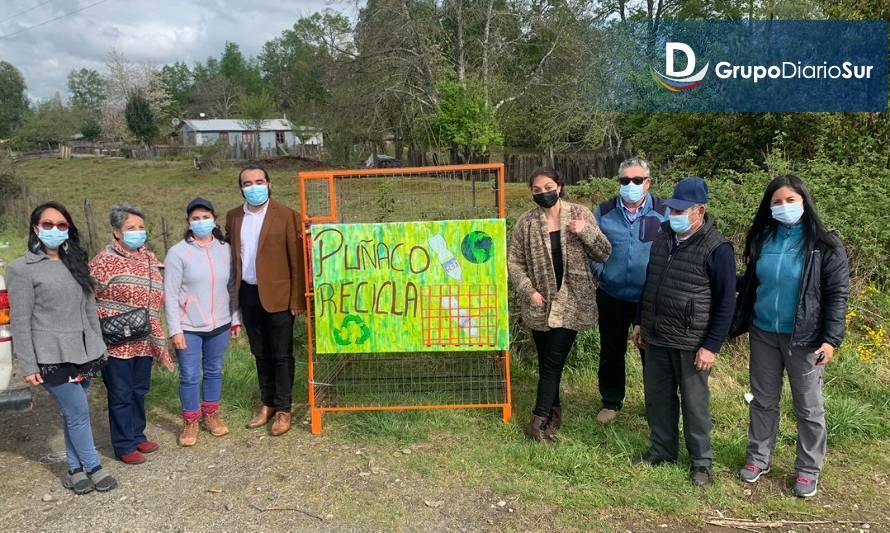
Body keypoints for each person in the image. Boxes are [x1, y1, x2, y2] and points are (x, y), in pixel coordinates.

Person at [731, 175, 848, 498]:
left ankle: (808, 469)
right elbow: (752, 284)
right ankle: (758, 458)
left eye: (790, 201)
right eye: (777, 202)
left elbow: (837, 294)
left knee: (808, 407)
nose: (784, 207)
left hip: (805, 337)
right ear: (768, 207)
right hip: (764, 332)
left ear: (804, 202)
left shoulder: (824, 244)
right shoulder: (762, 239)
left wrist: (831, 339)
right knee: (763, 400)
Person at [6, 202, 117, 494]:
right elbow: (20, 320)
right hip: (51, 355)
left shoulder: (76, 262)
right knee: (79, 411)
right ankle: (93, 466)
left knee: (73, 413)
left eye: (61, 225)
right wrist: (28, 366)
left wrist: (99, 346)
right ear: (35, 228)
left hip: (85, 351)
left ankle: (75, 469)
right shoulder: (20, 269)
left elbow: (89, 308)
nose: (55, 230)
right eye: (48, 224)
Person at [633, 177, 735, 486]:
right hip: (657, 334)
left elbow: (726, 302)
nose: (673, 215)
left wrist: (712, 346)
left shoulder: (717, 248)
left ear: (700, 211)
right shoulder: (663, 237)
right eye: (671, 209)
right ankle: (662, 450)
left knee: (695, 405)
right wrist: (640, 321)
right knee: (658, 397)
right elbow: (650, 283)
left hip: (692, 341)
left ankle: (701, 463)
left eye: (681, 211)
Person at [508, 166, 612, 444]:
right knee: (545, 363)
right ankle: (554, 414)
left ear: (560, 186)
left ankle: (537, 423)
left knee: (553, 363)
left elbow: (604, 253)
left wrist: (586, 232)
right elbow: (514, 262)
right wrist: (528, 290)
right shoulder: (526, 223)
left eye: (548, 187)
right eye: (537, 190)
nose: (544, 193)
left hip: (572, 302)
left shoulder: (580, 214)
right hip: (539, 304)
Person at [225, 165, 305, 436]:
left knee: (282, 354)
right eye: (247, 183)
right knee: (260, 353)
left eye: (259, 181)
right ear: (241, 188)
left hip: (280, 296)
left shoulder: (286, 215)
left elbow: (297, 261)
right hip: (248, 293)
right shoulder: (234, 217)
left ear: (269, 184)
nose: (254, 187)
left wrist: (297, 298)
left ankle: (283, 408)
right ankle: (267, 403)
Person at [90, 204, 173, 465]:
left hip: (143, 340)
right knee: (120, 393)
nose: (137, 232)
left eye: (140, 227)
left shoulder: (149, 258)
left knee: (139, 390)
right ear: (116, 232)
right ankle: (124, 444)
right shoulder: (102, 262)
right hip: (116, 342)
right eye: (130, 228)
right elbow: (89, 299)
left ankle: (137, 434)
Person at [590, 157, 668, 424]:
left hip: (649, 298)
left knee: (652, 351)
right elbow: (590, 245)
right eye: (625, 180)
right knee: (611, 350)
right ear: (618, 182)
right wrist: (603, 275)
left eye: (637, 180)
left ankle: (655, 405)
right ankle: (611, 401)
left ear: (648, 183)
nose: (631, 185)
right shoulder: (604, 211)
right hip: (611, 294)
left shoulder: (664, 211)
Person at [164, 198, 241, 447]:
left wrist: (234, 318)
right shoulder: (178, 252)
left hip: (220, 323)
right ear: (188, 222)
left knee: (214, 370)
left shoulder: (225, 249)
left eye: (205, 217)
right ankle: (190, 420)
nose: (201, 222)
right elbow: (172, 294)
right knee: (189, 375)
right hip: (189, 326)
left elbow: (232, 286)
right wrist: (175, 329)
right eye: (195, 218)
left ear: (214, 219)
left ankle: (211, 414)